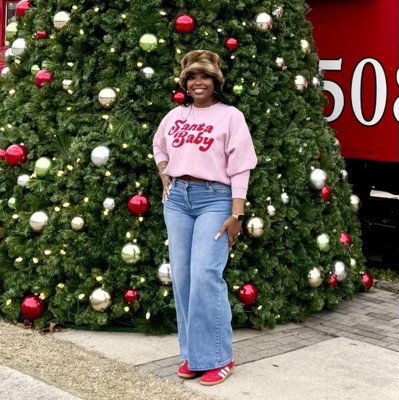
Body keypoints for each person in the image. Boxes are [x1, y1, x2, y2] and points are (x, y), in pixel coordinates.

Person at [152, 50, 257, 386]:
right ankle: (194, 356)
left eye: (205, 77)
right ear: (185, 83)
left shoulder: (230, 117)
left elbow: (240, 166)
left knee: (205, 275)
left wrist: (237, 214)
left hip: (216, 200)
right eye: (192, 77)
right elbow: (159, 146)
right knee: (182, 278)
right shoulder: (174, 116)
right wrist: (164, 173)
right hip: (178, 200)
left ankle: (219, 357)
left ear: (215, 82)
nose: (198, 83)